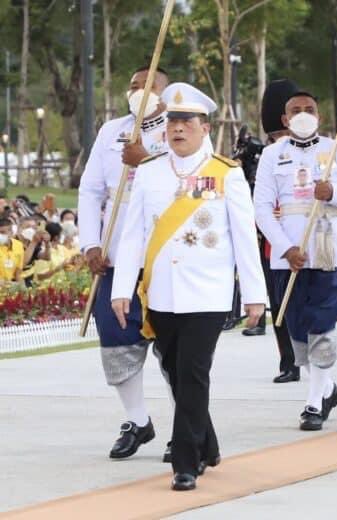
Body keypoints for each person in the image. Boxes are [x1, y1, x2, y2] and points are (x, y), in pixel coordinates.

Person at [111, 83, 266, 491]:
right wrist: (121, 289)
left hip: (208, 293)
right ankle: (207, 443)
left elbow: (244, 238)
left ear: (205, 126)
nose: (178, 129)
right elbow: (132, 236)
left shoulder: (226, 174)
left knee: (194, 373)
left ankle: (184, 462)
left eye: (187, 122)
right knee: (176, 372)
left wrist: (254, 295)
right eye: (173, 122)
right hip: (161, 293)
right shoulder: (149, 172)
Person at [254, 91, 337, 431]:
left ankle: (313, 403)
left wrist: (333, 193)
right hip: (289, 254)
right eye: (295, 111)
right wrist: (285, 247)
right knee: (297, 327)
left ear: (319, 116)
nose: (303, 114)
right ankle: (328, 389)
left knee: (323, 323)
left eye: (310, 109)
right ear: (285, 120)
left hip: (328, 248)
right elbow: (261, 206)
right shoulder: (271, 154)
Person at [78, 65, 173, 460]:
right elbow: (90, 190)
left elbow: (181, 184)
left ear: (166, 94)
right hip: (117, 259)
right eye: (133, 85)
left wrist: (145, 159)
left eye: (149, 85)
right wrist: (91, 244)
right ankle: (138, 420)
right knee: (118, 344)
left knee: (174, 349)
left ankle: (185, 427)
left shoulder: (181, 130)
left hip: (164, 258)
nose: (138, 91)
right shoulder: (109, 131)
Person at [245, 79, 302, 384]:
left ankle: (307, 356)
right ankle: (288, 360)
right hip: (272, 241)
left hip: (302, 236)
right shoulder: (264, 157)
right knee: (279, 303)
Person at [0, 216, 24, 284]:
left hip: (10, 287)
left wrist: (22, 288)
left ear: (11, 232)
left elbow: (18, 273)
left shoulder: (19, 245)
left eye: (2, 232)